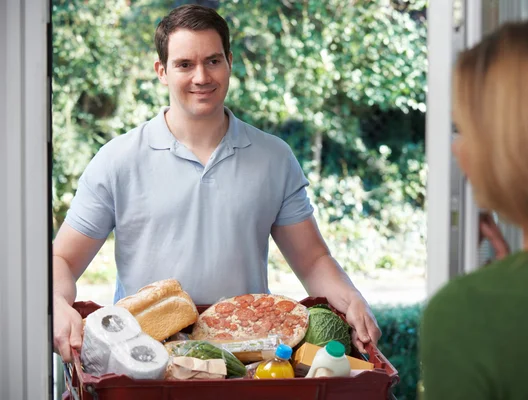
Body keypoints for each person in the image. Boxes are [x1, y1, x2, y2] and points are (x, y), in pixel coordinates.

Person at [53, 4, 381, 363]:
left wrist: (352, 300)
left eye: (212, 61)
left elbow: (313, 260)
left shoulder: (274, 157)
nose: (201, 77)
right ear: (161, 71)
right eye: (184, 64)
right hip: (147, 362)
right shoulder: (118, 160)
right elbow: (63, 260)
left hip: (247, 363)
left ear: (229, 62)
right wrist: (56, 304)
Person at [420, 19, 528, 399]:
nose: (456, 148)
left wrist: (500, 290)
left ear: (511, 149)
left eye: (465, 129)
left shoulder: (467, 313)